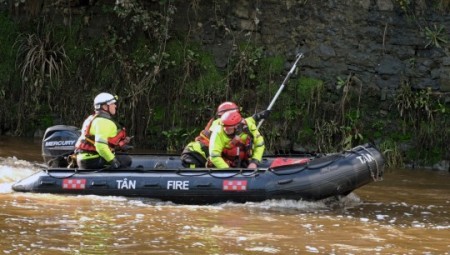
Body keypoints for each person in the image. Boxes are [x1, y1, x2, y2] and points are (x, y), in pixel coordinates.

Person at [75, 92, 132, 169]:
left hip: (85, 158)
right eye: (113, 104)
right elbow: (100, 146)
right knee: (126, 160)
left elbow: (105, 142)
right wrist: (113, 161)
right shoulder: (104, 122)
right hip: (91, 160)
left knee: (121, 156)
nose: (115, 106)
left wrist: (121, 145)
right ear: (105, 107)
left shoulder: (92, 118)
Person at [181, 101, 240, 168]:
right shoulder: (218, 124)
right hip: (194, 155)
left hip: (205, 154)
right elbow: (218, 143)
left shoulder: (231, 124)